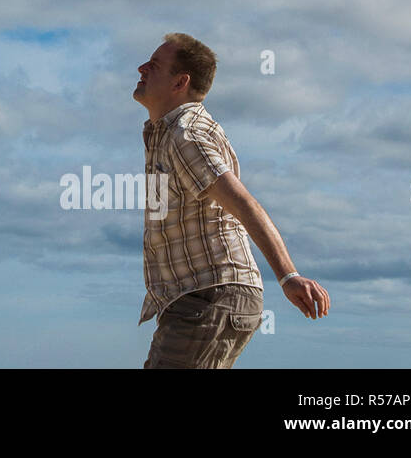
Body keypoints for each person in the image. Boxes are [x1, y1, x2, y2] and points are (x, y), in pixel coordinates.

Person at [134, 33, 330, 368]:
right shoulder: (169, 133)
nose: (141, 68)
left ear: (180, 81)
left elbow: (243, 203)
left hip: (209, 296)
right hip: (202, 297)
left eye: (154, 65)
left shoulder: (186, 136)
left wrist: (288, 276)